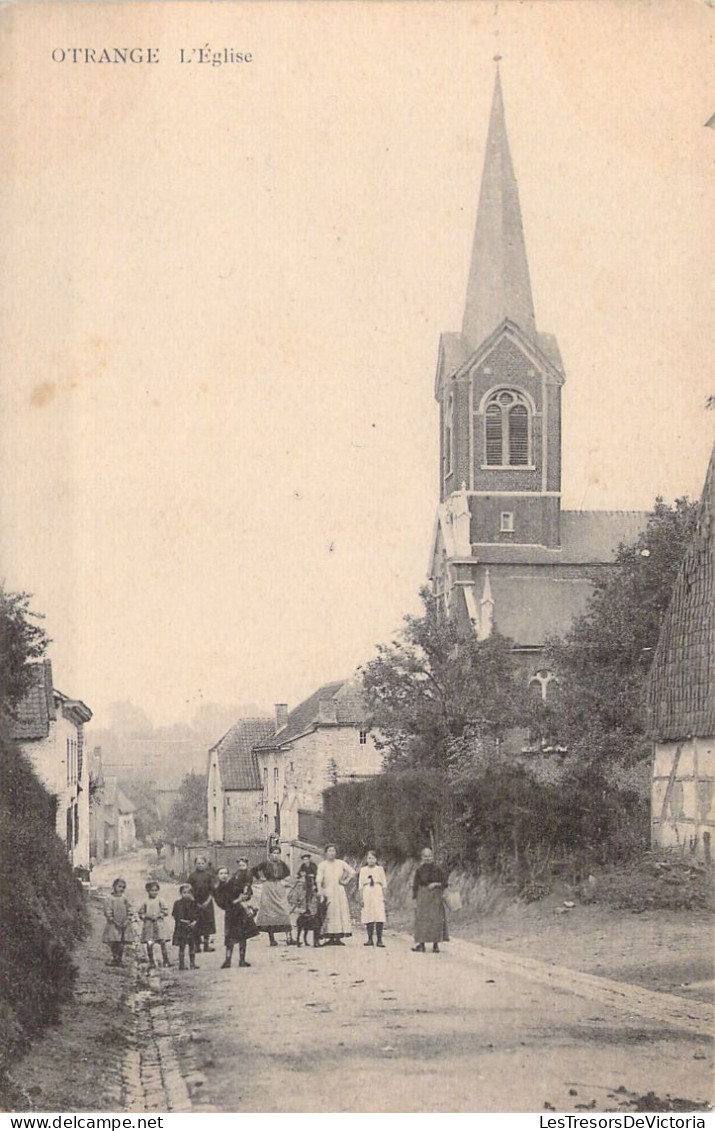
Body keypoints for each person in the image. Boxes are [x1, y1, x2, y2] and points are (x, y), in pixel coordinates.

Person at [213, 860, 259, 969]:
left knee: (243, 936)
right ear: (217, 876)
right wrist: (238, 899)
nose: (224, 876)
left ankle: (242, 960)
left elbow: (245, 894)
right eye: (221, 873)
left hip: (240, 912)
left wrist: (247, 893)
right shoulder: (217, 889)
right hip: (230, 915)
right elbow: (223, 904)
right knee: (230, 937)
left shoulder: (233, 884)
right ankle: (227, 960)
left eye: (226, 873)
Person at [252, 846, 294, 946]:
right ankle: (272, 939)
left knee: (284, 911)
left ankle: (289, 938)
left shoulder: (282, 864)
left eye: (278, 853)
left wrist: (284, 882)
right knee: (269, 913)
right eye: (274, 853)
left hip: (279, 888)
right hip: (268, 888)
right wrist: (261, 878)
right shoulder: (265, 864)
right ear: (270, 854)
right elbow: (253, 870)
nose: (276, 855)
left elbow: (288, 874)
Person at [411, 847, 449, 953]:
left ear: (433, 856)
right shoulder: (419, 870)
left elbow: (445, 883)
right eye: (425, 856)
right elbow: (415, 885)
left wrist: (435, 884)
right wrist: (415, 899)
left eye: (429, 856)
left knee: (436, 919)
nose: (428, 858)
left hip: (435, 897)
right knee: (421, 919)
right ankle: (421, 944)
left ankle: (435, 945)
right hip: (422, 896)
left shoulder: (438, 869)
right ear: (422, 857)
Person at [316, 845, 355, 945]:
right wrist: (320, 892)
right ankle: (329, 937)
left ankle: (338, 937)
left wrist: (345, 881)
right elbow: (319, 880)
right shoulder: (322, 865)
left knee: (339, 913)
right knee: (329, 912)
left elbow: (352, 872)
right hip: (328, 891)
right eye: (329, 851)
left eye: (333, 851)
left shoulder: (340, 863)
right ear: (326, 852)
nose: (332, 853)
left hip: (339, 891)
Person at [138, 880, 171, 968]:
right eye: (152, 890)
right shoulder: (145, 902)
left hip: (159, 925)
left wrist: (160, 915)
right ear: (148, 891)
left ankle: (166, 960)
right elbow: (140, 913)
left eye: (156, 890)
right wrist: (146, 916)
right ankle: (151, 961)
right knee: (150, 943)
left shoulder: (160, 900)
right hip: (149, 926)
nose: (154, 892)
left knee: (162, 942)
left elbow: (166, 911)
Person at [358, 850, 387, 947]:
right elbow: (360, 886)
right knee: (368, 914)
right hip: (367, 892)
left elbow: (384, 884)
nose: (371, 860)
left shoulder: (380, 869)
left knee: (379, 915)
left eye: (373, 858)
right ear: (366, 859)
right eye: (369, 858)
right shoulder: (363, 870)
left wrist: (384, 896)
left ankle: (379, 940)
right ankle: (370, 939)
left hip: (377, 892)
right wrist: (361, 898)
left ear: (376, 859)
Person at [188, 856, 216, 952]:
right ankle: (197, 946)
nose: (200, 865)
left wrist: (207, 901)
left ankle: (206, 945)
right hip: (195, 903)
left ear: (205, 864)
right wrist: (194, 902)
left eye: (202, 863)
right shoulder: (192, 876)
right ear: (195, 864)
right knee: (196, 923)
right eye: (198, 863)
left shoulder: (208, 876)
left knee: (207, 923)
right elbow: (188, 891)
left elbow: (212, 891)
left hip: (207, 903)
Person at [103, 877, 133, 967]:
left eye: (123, 887)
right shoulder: (109, 898)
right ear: (114, 886)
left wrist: (128, 919)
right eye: (119, 886)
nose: (121, 889)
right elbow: (107, 911)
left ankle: (119, 959)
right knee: (114, 941)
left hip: (124, 923)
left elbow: (129, 908)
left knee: (121, 942)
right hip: (113, 924)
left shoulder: (125, 898)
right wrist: (112, 919)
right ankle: (115, 958)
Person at [172, 882, 200, 970]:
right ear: (181, 893)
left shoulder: (194, 903)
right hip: (181, 928)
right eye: (184, 892)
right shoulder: (177, 903)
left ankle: (192, 963)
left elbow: (198, 915)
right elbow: (175, 915)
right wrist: (183, 921)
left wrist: (194, 922)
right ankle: (181, 964)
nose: (186, 895)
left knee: (192, 945)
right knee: (182, 946)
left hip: (192, 928)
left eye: (189, 892)